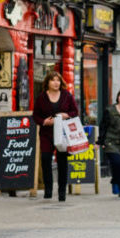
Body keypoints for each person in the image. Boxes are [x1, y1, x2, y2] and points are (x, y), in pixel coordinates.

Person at [32, 73, 80, 202]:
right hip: (46, 133)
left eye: (58, 80)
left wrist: (66, 115)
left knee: (62, 162)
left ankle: (62, 192)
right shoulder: (41, 97)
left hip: (63, 133)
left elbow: (75, 112)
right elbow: (35, 115)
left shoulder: (66, 95)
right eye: (53, 80)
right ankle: (48, 191)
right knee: (46, 159)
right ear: (47, 82)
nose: (56, 83)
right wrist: (43, 121)